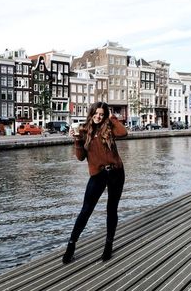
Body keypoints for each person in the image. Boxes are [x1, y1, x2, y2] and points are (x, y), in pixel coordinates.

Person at [62, 102, 128, 264]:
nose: (98, 116)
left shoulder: (110, 128)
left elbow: (124, 132)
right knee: (86, 210)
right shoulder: (84, 131)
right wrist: (77, 140)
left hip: (116, 172)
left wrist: (111, 117)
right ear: (91, 114)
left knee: (111, 210)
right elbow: (80, 157)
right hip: (98, 174)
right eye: (96, 113)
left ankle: (108, 245)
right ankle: (71, 246)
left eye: (101, 114)